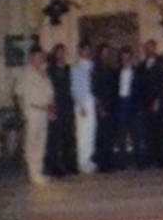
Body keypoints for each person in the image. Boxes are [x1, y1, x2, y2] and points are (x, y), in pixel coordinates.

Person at [15, 48, 55, 186]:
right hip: (32, 111)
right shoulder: (25, 73)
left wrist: (51, 109)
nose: (40, 59)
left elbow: (50, 93)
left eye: (42, 57)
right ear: (31, 58)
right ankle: (33, 173)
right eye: (38, 57)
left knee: (41, 142)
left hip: (44, 111)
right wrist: (24, 113)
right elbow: (18, 95)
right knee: (32, 143)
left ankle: (39, 171)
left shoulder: (44, 73)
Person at [137, 39, 163, 166]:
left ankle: (162, 159)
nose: (148, 50)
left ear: (155, 48)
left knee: (160, 131)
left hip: (158, 102)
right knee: (148, 131)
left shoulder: (162, 62)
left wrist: (158, 100)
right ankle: (150, 158)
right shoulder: (141, 65)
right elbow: (139, 85)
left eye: (150, 47)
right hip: (145, 103)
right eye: (146, 47)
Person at [46, 45, 77, 177]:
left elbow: (73, 88)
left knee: (68, 137)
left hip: (68, 105)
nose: (61, 55)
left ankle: (69, 165)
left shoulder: (69, 69)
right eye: (59, 52)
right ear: (55, 54)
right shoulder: (50, 70)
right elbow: (48, 89)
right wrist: (50, 106)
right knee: (55, 138)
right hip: (56, 105)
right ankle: (54, 167)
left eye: (63, 52)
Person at [92, 44, 123, 170]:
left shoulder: (111, 69)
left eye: (107, 52)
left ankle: (110, 161)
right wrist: (100, 107)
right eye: (103, 52)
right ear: (99, 54)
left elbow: (116, 88)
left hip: (112, 105)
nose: (106, 55)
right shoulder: (96, 69)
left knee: (110, 134)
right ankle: (102, 163)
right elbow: (95, 90)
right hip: (102, 105)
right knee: (102, 135)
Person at [71, 41, 99, 174]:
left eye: (88, 49)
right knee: (82, 132)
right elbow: (74, 88)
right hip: (82, 102)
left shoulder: (92, 65)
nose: (86, 52)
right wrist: (80, 104)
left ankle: (88, 159)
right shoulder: (75, 67)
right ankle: (82, 162)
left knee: (91, 131)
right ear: (80, 51)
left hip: (91, 100)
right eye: (84, 50)